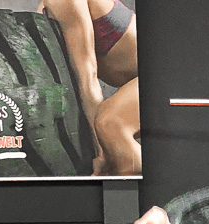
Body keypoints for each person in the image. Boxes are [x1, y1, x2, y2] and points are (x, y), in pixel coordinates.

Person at [40, 0, 139, 175]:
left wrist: (102, 152)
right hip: (140, 81)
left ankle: (158, 199)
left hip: (168, 73)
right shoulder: (46, 5)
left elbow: (87, 78)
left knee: (110, 124)